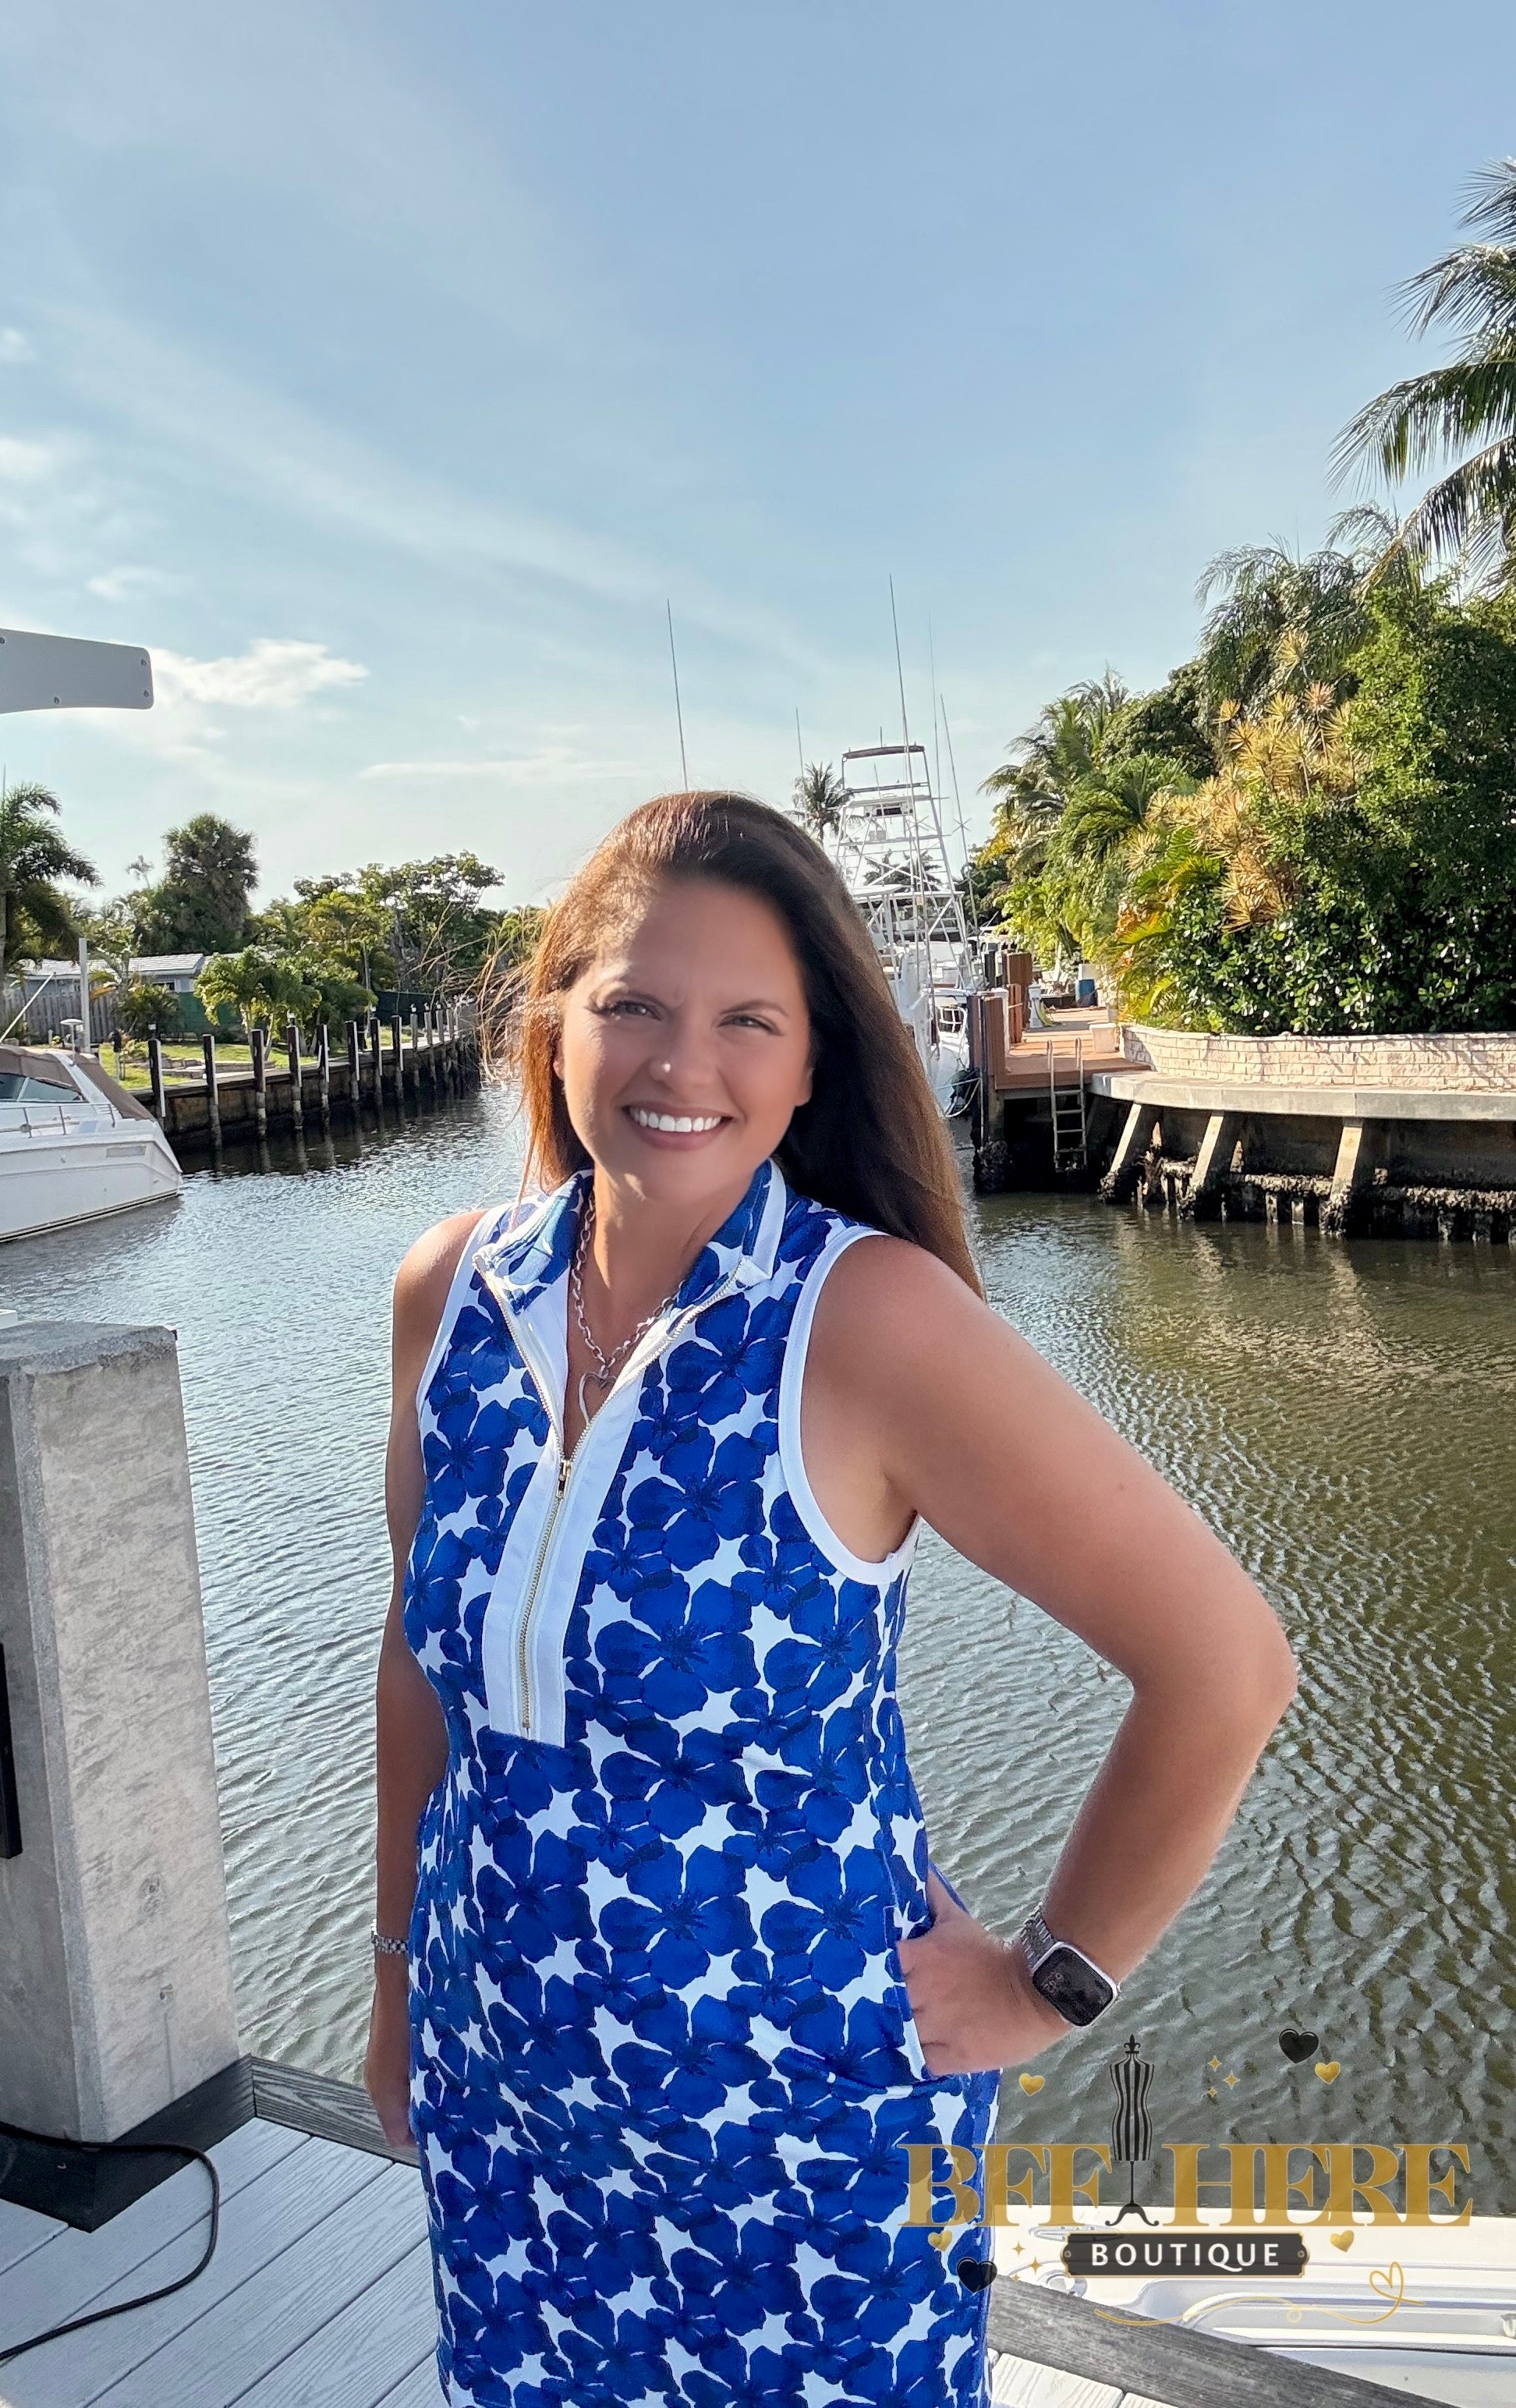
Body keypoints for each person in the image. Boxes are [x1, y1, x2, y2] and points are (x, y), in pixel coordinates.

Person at [367, 791, 1298, 2408]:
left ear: (812, 1067)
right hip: (505, 2099)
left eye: (749, 1020)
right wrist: (393, 1975)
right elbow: (416, 1661)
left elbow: (1225, 1664)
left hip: (801, 2140)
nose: (683, 1064)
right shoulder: (453, 1291)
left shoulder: (867, 1321)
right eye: (634, 1005)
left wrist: (1047, 1979)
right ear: (555, 1021)